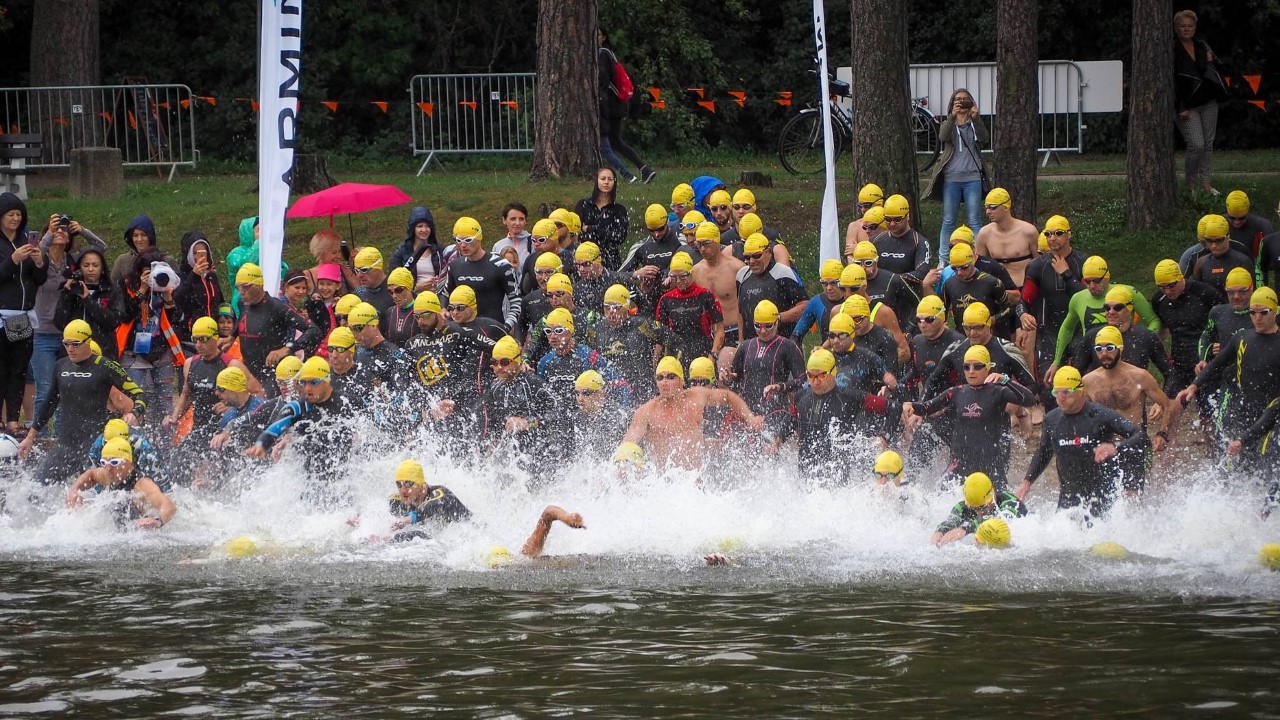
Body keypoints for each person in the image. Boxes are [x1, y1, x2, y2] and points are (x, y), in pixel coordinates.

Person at [19, 320, 146, 484]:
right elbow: (49, 403)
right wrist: (30, 437)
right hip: (65, 445)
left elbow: (140, 394)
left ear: (88, 341)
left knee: (91, 499)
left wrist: (135, 413)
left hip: (93, 447)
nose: (70, 349)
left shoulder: (106, 366)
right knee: (35, 492)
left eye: (76, 344)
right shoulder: (61, 366)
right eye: (66, 343)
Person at [1017, 367, 1148, 517]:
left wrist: (1115, 447)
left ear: (1080, 391)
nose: (1060, 398)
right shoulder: (1052, 420)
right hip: (1069, 497)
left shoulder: (1100, 415)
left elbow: (1141, 437)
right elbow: (1044, 452)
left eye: (1066, 392)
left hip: (1103, 496)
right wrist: (1027, 481)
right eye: (1056, 392)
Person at [906, 345, 1036, 491]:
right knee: (940, 499)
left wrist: (1006, 379)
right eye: (967, 367)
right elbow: (927, 407)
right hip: (959, 464)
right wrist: (911, 405)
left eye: (977, 366)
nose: (971, 371)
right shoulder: (956, 392)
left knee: (998, 505)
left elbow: (1030, 399)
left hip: (990, 465)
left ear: (988, 367)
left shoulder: (999, 392)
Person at [1177, 287, 1280, 447]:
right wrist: (1194, 385)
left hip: (1273, 411)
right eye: (1252, 312)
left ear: (1274, 312)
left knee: (1266, 462)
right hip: (1244, 406)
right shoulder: (1241, 338)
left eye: (1264, 312)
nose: (1257, 318)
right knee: (1232, 455)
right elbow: (1217, 364)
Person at [622, 356, 762, 471]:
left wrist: (750, 418)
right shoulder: (646, 412)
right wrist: (624, 465)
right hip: (664, 486)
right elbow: (627, 445)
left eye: (671, 377)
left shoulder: (697, 397)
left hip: (695, 484)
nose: (664, 382)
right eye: (660, 378)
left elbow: (728, 397)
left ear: (682, 380)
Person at [35, 216, 108, 423]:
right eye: (56, 229)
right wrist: (49, 233)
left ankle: (62, 434)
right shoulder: (41, 260)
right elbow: (35, 255)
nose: (60, 232)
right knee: (45, 388)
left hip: (67, 333)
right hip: (41, 332)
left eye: (64, 230)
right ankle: (36, 435)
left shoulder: (71, 262)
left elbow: (100, 248)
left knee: (65, 387)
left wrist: (82, 230)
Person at [792, 348, 901, 480]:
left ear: (833, 372)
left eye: (822, 376)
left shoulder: (850, 397)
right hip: (806, 472)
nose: (816, 382)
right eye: (811, 376)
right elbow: (790, 420)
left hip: (838, 474)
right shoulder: (801, 398)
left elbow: (894, 408)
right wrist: (776, 441)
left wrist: (884, 436)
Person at [1049, 256, 1160, 383]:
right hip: (1095, 357)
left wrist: (1143, 342)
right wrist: (1056, 361)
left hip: (1125, 355)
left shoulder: (1127, 292)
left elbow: (1153, 320)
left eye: (1096, 281)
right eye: (1087, 281)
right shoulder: (1078, 298)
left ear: (1107, 277)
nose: (1092, 286)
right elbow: (1067, 328)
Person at [247, 356, 357, 480]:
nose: (307, 388)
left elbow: (371, 429)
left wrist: (359, 436)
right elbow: (275, 428)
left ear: (326, 381)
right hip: (310, 480)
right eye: (303, 382)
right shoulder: (298, 407)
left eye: (313, 382)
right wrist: (261, 444)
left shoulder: (347, 402)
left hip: (345, 478)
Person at [113, 250, 185, 430]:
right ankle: (136, 444)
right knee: (136, 402)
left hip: (162, 353)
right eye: (148, 271)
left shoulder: (167, 284)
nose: (154, 276)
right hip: (134, 353)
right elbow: (125, 315)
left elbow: (177, 321)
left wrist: (168, 297)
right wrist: (142, 290)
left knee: (165, 406)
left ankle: (164, 447)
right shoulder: (127, 287)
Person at [165, 316, 260, 451]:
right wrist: (174, 417)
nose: (198, 344)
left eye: (203, 339)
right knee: (177, 462)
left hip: (225, 430)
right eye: (195, 340)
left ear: (215, 337)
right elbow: (186, 394)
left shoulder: (231, 365)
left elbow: (258, 394)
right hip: (199, 430)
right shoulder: (190, 364)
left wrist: (232, 407)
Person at [1081, 326, 1178, 454]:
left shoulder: (1139, 377)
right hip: (1103, 447)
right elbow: (1081, 416)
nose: (1104, 354)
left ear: (1120, 348)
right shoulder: (1088, 381)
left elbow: (1168, 406)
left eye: (1110, 348)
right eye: (1099, 349)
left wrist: (1162, 434)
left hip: (1134, 444)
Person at [1020, 215, 1086, 398]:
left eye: (1058, 233)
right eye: (1048, 234)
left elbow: (1087, 298)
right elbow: (1024, 301)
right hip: (1049, 333)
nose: (1052, 238)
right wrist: (1023, 315)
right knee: (1049, 390)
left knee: (1080, 388)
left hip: (1079, 333)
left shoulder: (1082, 261)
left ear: (1069, 235)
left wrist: (1066, 274)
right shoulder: (1036, 266)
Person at [234, 263, 322, 395]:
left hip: (272, 375)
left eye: (245, 287)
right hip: (250, 374)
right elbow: (244, 323)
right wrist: (230, 336)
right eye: (238, 287)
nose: (241, 292)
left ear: (259, 285)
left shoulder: (276, 307)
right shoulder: (243, 303)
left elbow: (314, 331)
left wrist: (287, 348)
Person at [923, 88, 989, 261]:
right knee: (948, 220)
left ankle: (979, 256)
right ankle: (943, 259)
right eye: (958, 100)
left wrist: (976, 117)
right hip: (952, 178)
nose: (961, 102)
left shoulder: (974, 123)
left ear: (971, 102)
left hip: (972, 177)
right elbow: (943, 136)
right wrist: (952, 116)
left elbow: (984, 138)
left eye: (965, 100)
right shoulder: (949, 123)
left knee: (975, 219)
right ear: (952, 103)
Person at [0, 192, 47, 434]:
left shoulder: (26, 241)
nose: (15, 219)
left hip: (21, 316)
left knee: (18, 368)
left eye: (19, 214)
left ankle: (13, 420)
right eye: (10, 214)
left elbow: (39, 279)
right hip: (1, 315)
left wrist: (40, 262)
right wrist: (13, 260)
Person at [66, 437, 176, 531]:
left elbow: (169, 505)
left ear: (128, 462)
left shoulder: (142, 484)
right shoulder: (109, 473)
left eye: (114, 462)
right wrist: (74, 490)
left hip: (141, 533)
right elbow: (91, 475)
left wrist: (157, 521)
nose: (108, 468)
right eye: (104, 462)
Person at [1173, 9, 1227, 195]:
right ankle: (1190, 184)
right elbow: (1171, 81)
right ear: (1176, 28)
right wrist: (1180, 106)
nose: (1186, 29)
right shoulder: (1172, 49)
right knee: (1197, 144)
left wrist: (1211, 60)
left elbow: (1217, 69)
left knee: (1208, 143)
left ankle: (1205, 183)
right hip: (1187, 106)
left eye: (1190, 25)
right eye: (1182, 26)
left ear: (1195, 27)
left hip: (1209, 101)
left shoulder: (1202, 45)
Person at [1150, 258, 1222, 394]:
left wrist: (1223, 342)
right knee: (1170, 406)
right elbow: (1164, 327)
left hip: (1204, 359)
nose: (1167, 291)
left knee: (1208, 410)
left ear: (1181, 277)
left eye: (1171, 285)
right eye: (1162, 287)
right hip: (1179, 361)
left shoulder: (1204, 293)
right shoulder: (1158, 300)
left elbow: (1226, 318)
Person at [1070, 286, 1172, 379]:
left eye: (1118, 308)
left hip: (1134, 397)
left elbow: (1170, 372)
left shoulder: (1145, 336)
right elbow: (1075, 375)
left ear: (1129, 308)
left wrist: (1167, 398)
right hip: (1099, 397)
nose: (1111, 312)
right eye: (1107, 308)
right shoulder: (1092, 336)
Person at [597, 27, 654, 185]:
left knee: (608, 142)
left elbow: (603, 81)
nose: (595, 37)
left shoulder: (602, 53)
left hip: (611, 105)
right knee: (615, 141)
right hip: (614, 104)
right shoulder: (608, 53)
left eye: (598, 34)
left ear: (603, 37)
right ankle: (643, 169)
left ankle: (630, 173)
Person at [443, 217, 521, 332]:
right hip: (462, 332)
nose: (463, 245)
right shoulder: (454, 266)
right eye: (458, 240)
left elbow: (516, 302)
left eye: (468, 240)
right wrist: (444, 310)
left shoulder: (501, 265)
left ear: (479, 238)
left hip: (492, 331)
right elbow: (445, 294)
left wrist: (505, 327)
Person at [735, 235, 807, 341]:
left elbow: (805, 306)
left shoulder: (783, 273)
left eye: (756, 256)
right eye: (747, 257)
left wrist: (778, 317)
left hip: (782, 342)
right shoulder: (742, 275)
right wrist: (741, 344)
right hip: (751, 344)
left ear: (768, 252)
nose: (751, 261)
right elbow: (741, 313)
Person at [656, 251, 723, 364]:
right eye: (673, 277)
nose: (678, 281)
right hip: (676, 355)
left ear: (691, 273)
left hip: (703, 353)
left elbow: (719, 331)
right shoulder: (665, 300)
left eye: (682, 276)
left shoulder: (706, 295)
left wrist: (712, 356)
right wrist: (656, 363)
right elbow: (660, 337)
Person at [381, 459, 471, 542]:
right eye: (399, 485)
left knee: (416, 535)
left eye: (409, 484)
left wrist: (411, 517)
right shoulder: (396, 501)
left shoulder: (440, 493)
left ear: (422, 485)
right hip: (438, 540)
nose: (403, 490)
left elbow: (435, 505)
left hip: (469, 535)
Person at [931, 472, 1026, 547]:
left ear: (992, 496)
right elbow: (951, 520)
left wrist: (965, 529)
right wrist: (940, 531)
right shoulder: (964, 506)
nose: (978, 512)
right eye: (974, 508)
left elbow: (1001, 520)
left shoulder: (1011, 502)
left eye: (982, 507)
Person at [690, 222, 745, 348]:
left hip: (733, 331)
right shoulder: (695, 271)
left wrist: (743, 339)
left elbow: (748, 304)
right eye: (699, 244)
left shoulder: (736, 268)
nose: (702, 249)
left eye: (706, 244)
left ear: (717, 241)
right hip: (707, 334)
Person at [939, 243, 1010, 339]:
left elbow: (1008, 309)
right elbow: (940, 312)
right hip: (963, 338)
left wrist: (993, 319)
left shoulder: (992, 282)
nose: (959, 272)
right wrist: (942, 325)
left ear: (973, 261)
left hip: (988, 338)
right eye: (954, 268)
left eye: (964, 267)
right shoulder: (948, 284)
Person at [850, 240, 919, 335]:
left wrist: (908, 330)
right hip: (863, 336)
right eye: (858, 263)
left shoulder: (892, 279)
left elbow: (918, 304)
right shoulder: (851, 283)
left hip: (892, 335)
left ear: (876, 261)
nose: (863, 268)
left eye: (868, 263)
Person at [870, 194, 931, 292]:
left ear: (908, 216)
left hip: (907, 297)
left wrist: (889, 280)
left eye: (898, 219)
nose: (892, 224)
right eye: (888, 219)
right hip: (881, 297)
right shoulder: (875, 240)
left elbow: (922, 273)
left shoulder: (919, 242)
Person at [173, 230, 225, 344]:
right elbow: (177, 299)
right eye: (195, 253)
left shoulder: (211, 276)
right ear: (188, 255)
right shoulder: (181, 276)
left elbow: (220, 302)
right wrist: (194, 275)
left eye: (203, 251)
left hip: (214, 334)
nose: (200, 256)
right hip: (192, 336)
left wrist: (226, 323)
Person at [906, 296, 963, 396]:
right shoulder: (917, 341)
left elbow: (968, 381)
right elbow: (914, 374)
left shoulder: (957, 342)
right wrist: (893, 386)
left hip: (955, 404)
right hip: (929, 404)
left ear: (941, 318)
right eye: (919, 320)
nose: (923, 325)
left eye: (929, 319)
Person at [574, 168, 629, 269]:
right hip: (584, 259)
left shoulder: (619, 210)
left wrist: (592, 229)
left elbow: (619, 237)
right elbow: (575, 232)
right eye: (603, 179)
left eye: (610, 179)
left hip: (610, 260)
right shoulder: (583, 205)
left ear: (614, 182)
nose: (606, 182)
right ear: (597, 181)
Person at [390, 206, 448, 293]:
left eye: (427, 226)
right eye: (420, 226)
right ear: (413, 228)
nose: (424, 230)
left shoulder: (440, 249)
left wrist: (439, 281)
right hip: (413, 297)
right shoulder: (402, 251)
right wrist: (416, 287)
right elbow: (394, 281)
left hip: (437, 296)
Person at [301, 229, 357, 296]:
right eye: (334, 253)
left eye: (339, 251)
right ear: (321, 252)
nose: (339, 256)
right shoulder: (307, 275)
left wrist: (355, 264)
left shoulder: (343, 270)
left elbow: (363, 291)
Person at [351, 246, 394, 329]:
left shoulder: (396, 291)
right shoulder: (358, 295)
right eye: (356, 270)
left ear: (378, 268)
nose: (359, 275)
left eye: (364, 270)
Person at [844, 183, 885, 263]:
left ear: (879, 203)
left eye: (867, 205)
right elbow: (850, 256)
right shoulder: (854, 227)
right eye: (860, 205)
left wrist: (858, 250)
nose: (863, 209)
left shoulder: (889, 224)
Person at [492, 203, 531, 274]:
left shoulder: (534, 242)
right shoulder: (498, 246)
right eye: (513, 219)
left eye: (521, 219)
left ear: (525, 221)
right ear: (504, 220)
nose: (517, 223)